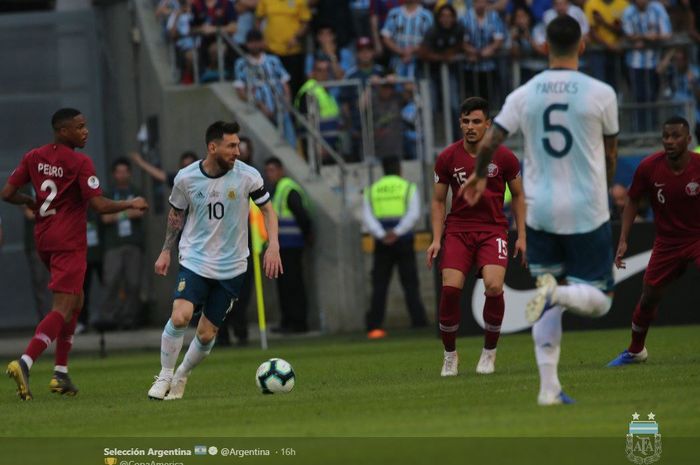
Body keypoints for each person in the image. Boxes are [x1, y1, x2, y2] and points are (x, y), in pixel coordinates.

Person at [461, 16, 619, 405]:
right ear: (582, 46)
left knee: (547, 295)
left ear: (544, 46)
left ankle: (548, 390)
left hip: (540, 211)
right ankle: (559, 296)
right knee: (600, 301)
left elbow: (491, 141)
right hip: (586, 208)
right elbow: (611, 152)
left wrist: (480, 177)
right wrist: (603, 186)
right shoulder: (601, 93)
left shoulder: (524, 94)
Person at [2, 108, 148, 400]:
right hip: (69, 241)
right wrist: (130, 203)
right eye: (80, 127)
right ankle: (26, 362)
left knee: (76, 301)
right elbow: (99, 206)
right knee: (63, 306)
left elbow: (7, 193)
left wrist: (31, 201)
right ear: (63, 131)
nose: (86, 131)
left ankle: (61, 373)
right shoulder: (80, 162)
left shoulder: (33, 157)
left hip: (44, 239)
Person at [148, 121, 282, 400]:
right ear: (213, 147)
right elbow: (176, 217)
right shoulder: (186, 178)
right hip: (195, 259)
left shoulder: (248, 176)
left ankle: (182, 374)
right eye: (231, 146)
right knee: (180, 315)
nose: (238, 151)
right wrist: (165, 251)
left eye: (238, 145)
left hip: (232, 266)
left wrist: (273, 245)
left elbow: (267, 209)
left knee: (207, 334)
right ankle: (164, 375)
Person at [427, 97, 526, 377]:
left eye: (476, 122)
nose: (470, 127)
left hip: (493, 229)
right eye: (466, 121)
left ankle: (489, 353)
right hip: (458, 229)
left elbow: (519, 195)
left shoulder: (505, 157)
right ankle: (450, 356)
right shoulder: (447, 157)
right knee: (450, 290)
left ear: (488, 124)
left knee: (494, 287)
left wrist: (521, 235)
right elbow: (437, 201)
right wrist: (436, 238)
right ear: (460, 123)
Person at [608, 116, 700, 366]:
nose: (669, 141)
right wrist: (624, 240)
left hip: (697, 236)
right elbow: (632, 200)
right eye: (666, 136)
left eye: (676, 136)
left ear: (689, 140)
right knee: (648, 296)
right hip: (667, 242)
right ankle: (636, 350)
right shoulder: (649, 167)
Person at [363, 157, 428, 339]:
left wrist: (383, 234)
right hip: (404, 240)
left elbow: (367, 218)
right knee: (410, 284)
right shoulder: (408, 187)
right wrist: (397, 232)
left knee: (380, 284)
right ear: (399, 169)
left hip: (382, 242)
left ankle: (374, 325)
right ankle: (418, 321)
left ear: (384, 170)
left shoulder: (372, 190)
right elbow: (414, 214)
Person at [264, 157, 312, 334]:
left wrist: (307, 236)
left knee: (293, 285)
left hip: (292, 245)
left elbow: (302, 215)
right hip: (281, 247)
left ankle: (298, 323)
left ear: (281, 170)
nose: (270, 174)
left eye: (272, 170)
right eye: (267, 170)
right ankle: (287, 322)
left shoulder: (288, 189)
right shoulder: (276, 190)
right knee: (284, 286)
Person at [99, 158, 146, 330]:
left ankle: (129, 319)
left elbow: (139, 213)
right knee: (111, 281)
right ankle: (108, 318)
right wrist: (127, 211)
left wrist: (117, 213)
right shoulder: (108, 193)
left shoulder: (136, 191)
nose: (122, 175)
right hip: (114, 244)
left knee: (133, 283)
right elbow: (105, 217)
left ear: (130, 173)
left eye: (125, 171)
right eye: (118, 172)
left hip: (133, 243)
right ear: (113, 174)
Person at [130, 150, 199, 188]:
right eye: (185, 167)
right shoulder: (179, 180)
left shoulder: (204, 179)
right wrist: (140, 162)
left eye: (190, 166)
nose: (188, 170)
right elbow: (160, 175)